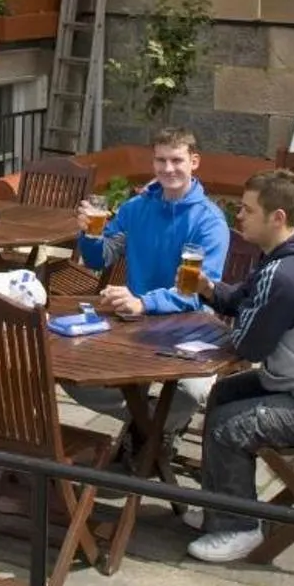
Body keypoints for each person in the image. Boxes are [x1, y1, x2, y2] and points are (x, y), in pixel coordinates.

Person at [184, 168, 294, 566]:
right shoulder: (286, 255)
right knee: (225, 393)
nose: (238, 218)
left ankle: (240, 528)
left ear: (277, 217)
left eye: (247, 210)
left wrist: (238, 316)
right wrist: (210, 290)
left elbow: (250, 344)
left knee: (234, 425)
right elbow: (243, 301)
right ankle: (220, 508)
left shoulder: (286, 275)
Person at [62, 126, 231, 439]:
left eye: (176, 160)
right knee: (72, 374)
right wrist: (91, 233)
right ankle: (152, 427)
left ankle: (145, 435)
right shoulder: (135, 208)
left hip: (191, 323)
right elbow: (101, 258)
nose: (168, 169)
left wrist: (144, 302)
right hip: (133, 320)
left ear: (194, 162)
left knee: (191, 393)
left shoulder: (209, 221)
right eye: (161, 161)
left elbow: (197, 292)